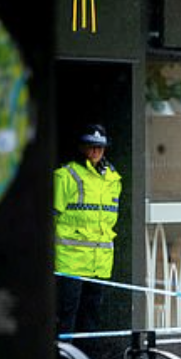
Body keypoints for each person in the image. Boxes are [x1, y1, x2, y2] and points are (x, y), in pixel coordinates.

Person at [53, 123, 122, 340]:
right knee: (66, 320)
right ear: (81, 147)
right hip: (70, 263)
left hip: (99, 265)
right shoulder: (66, 176)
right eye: (90, 147)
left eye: (99, 147)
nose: (95, 152)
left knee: (91, 322)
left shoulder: (113, 180)